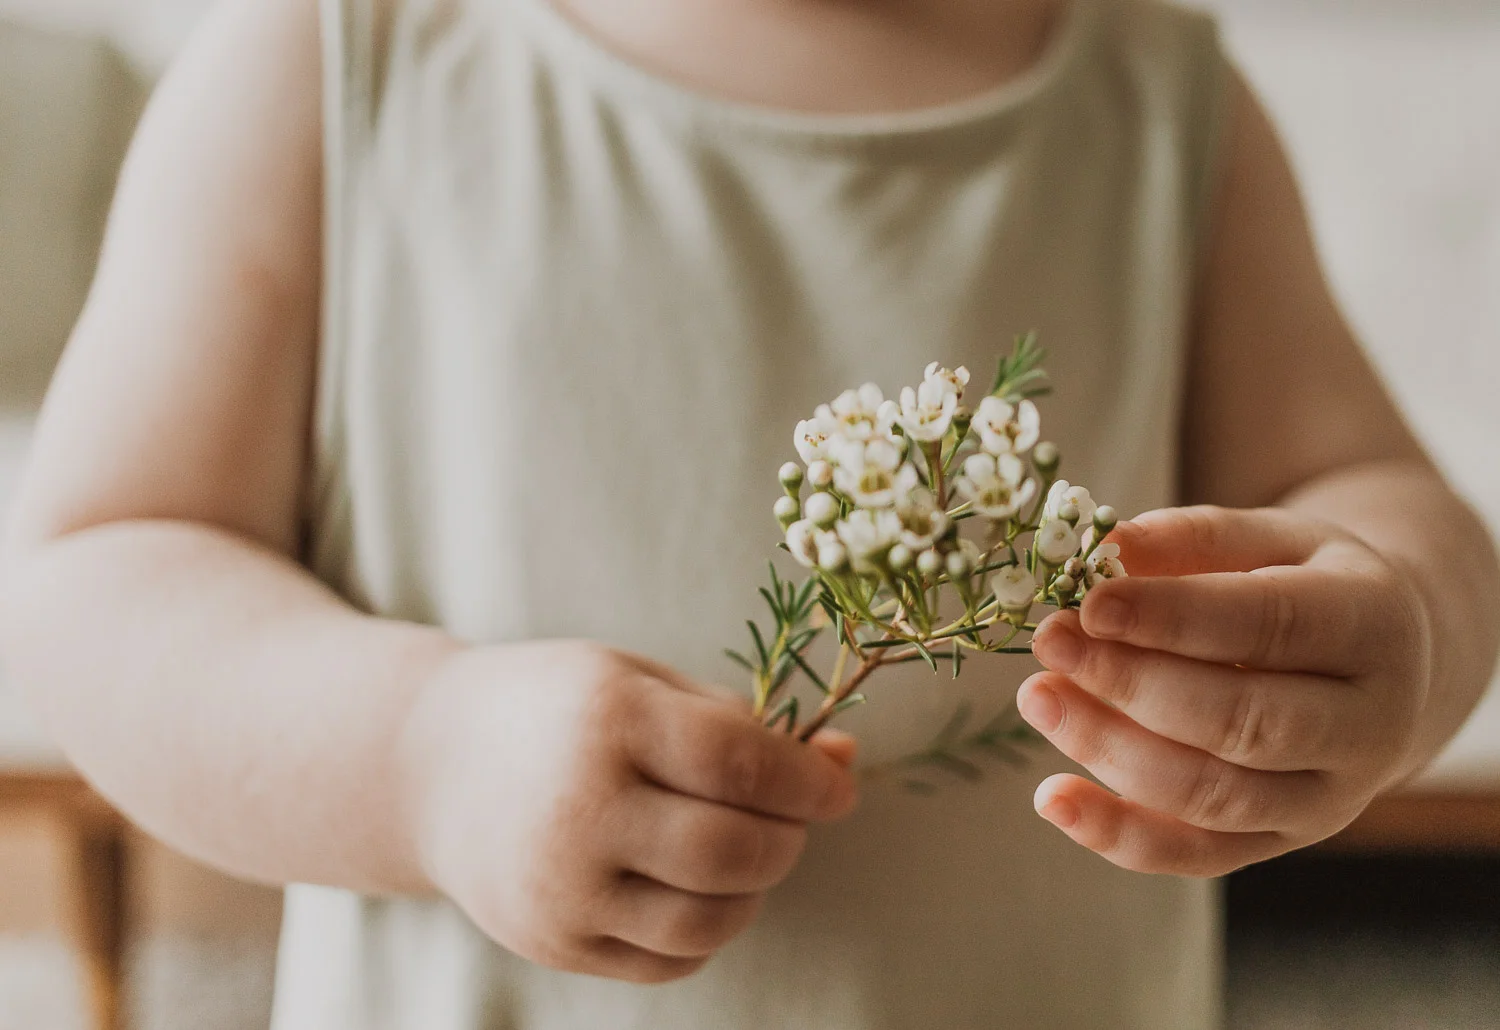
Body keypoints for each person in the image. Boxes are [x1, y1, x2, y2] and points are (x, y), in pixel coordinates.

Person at [3, 0, 1496, 1026]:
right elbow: (104, 569)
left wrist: (1402, 634)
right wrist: (421, 751)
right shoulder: (340, 60)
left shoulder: (1164, 106)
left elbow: (1376, 491)